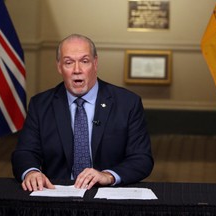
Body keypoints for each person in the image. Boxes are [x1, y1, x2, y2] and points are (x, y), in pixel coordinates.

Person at [11, 34, 154, 192]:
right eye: (68, 62)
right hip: (56, 193)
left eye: (84, 61)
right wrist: (31, 172)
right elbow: (24, 152)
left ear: (95, 63)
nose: (77, 70)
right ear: (59, 67)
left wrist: (108, 175)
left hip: (107, 194)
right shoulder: (40, 105)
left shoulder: (127, 103)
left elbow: (142, 159)